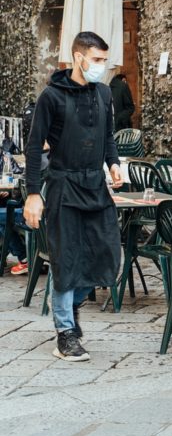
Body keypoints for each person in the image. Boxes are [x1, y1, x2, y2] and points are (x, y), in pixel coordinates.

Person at [24, 31, 124, 362]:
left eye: (104, 60)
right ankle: (65, 331)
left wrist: (113, 164)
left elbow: (108, 135)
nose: (102, 66)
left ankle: (72, 306)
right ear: (79, 57)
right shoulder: (50, 97)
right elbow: (34, 147)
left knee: (107, 254)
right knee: (66, 258)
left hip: (96, 185)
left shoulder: (105, 92)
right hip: (63, 186)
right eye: (97, 59)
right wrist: (33, 193)